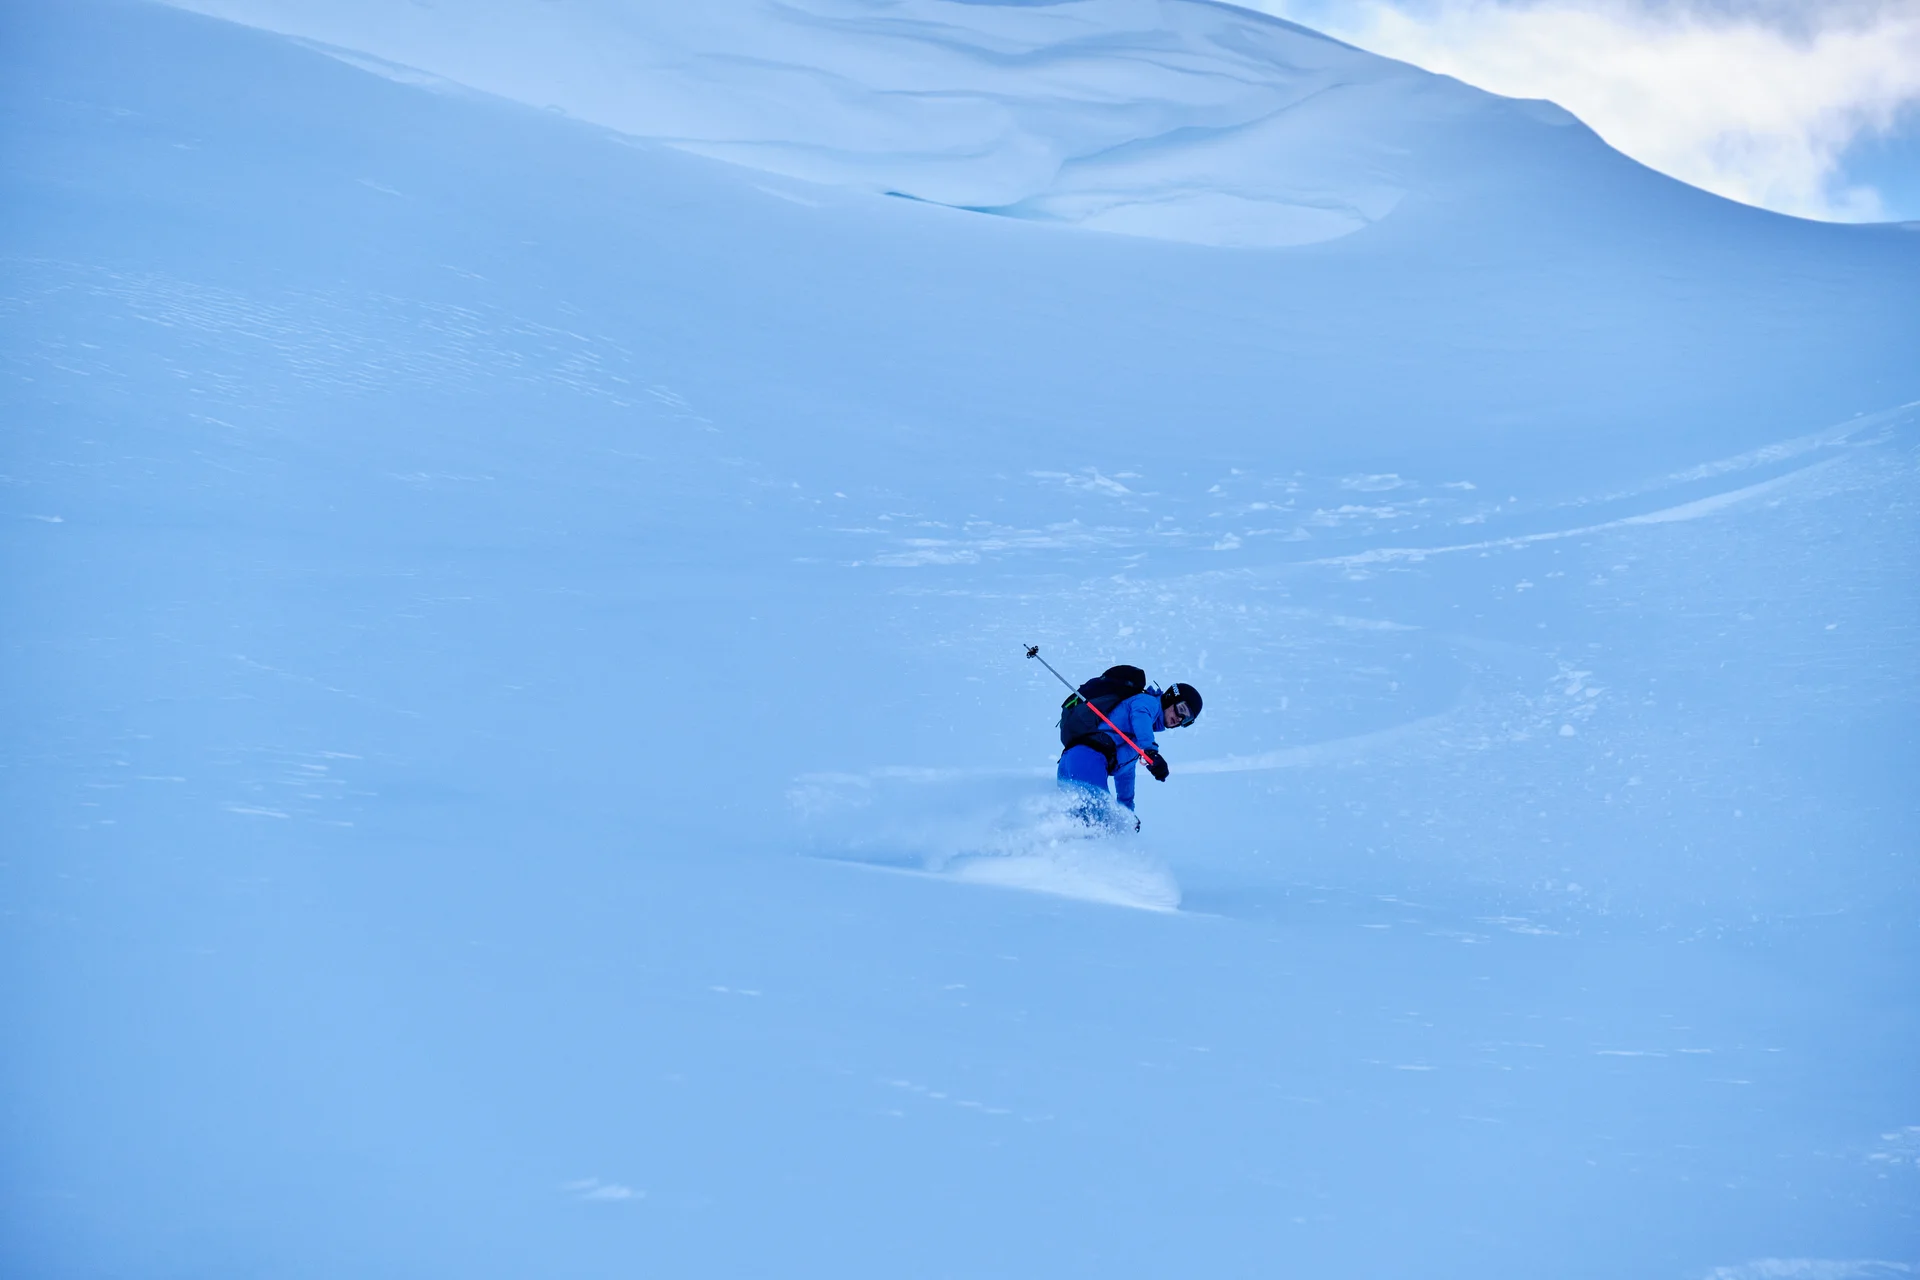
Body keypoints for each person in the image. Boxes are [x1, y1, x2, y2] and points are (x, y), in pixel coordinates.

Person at [1055, 667, 1203, 827]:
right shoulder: (1147, 703)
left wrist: (1126, 814)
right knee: (1098, 822)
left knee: (1077, 825)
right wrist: (1151, 751)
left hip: (1072, 762)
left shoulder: (1134, 741)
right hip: (1089, 758)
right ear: (1170, 697)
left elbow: (1125, 775)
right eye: (1181, 710)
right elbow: (1141, 716)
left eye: (1186, 720)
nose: (1179, 719)